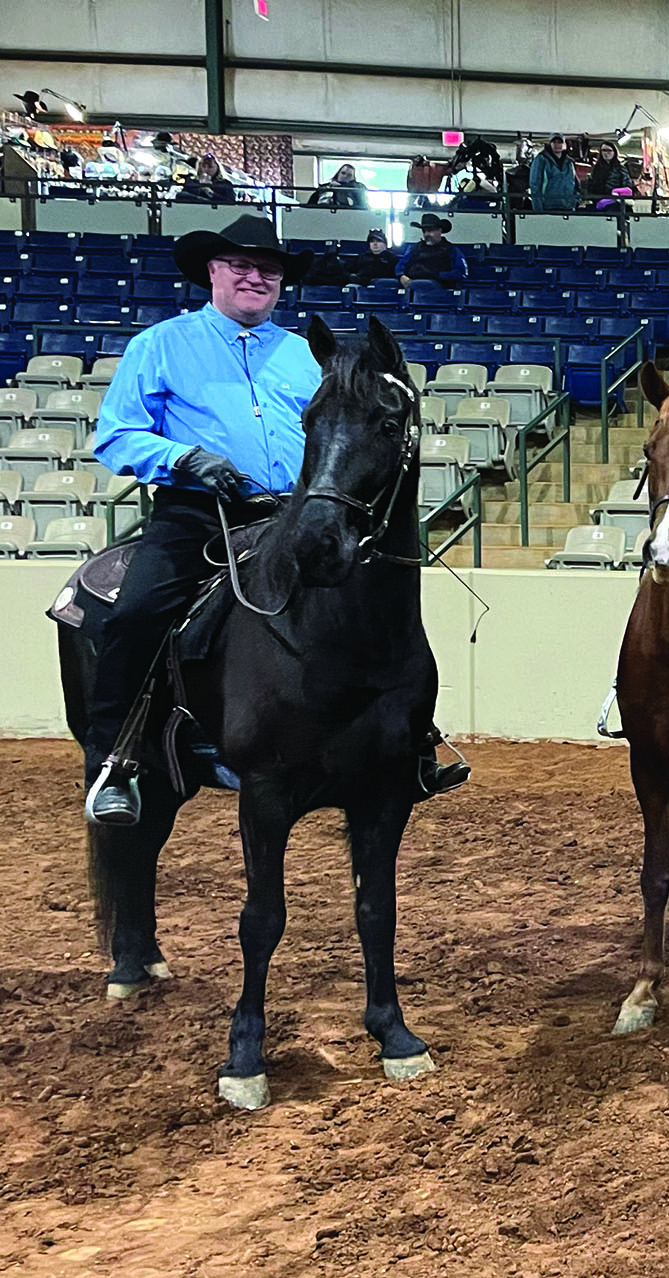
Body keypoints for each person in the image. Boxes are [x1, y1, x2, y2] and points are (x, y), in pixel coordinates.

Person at [83, 215, 466, 826]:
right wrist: (182, 456)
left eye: (268, 270)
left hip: (290, 515)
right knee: (137, 614)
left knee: (370, 609)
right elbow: (116, 436)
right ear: (212, 272)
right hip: (196, 516)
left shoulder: (302, 357)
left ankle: (408, 742)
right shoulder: (159, 345)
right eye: (241, 266)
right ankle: (117, 759)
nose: (255, 278)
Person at [395, 212, 469, 290]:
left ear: (440, 231)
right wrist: (401, 275)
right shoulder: (414, 249)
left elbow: (462, 272)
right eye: (424, 231)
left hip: (441, 291)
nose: (426, 234)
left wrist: (437, 275)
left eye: (430, 230)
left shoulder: (452, 250)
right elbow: (400, 265)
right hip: (414, 290)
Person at [307, 229, 393, 286]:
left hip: (365, 283)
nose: (375, 244)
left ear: (385, 244)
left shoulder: (391, 258)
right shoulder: (362, 257)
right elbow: (350, 268)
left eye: (378, 241)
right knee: (329, 259)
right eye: (372, 241)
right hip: (352, 278)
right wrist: (349, 275)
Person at [526, 133, 578, 211]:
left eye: (559, 142)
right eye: (554, 142)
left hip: (567, 207)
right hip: (548, 206)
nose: (557, 145)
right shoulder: (540, 159)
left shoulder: (569, 162)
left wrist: (575, 201)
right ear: (550, 143)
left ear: (563, 144)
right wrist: (538, 208)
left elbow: (575, 183)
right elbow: (535, 184)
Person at [581, 139, 629, 207]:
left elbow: (627, 187)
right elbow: (590, 186)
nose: (606, 153)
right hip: (597, 201)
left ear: (614, 152)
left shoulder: (621, 168)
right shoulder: (596, 169)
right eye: (604, 150)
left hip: (615, 203)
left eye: (609, 150)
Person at [303, 163, 369, 210]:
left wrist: (342, 189)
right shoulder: (325, 188)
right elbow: (311, 205)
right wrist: (330, 189)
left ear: (353, 178)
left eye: (349, 175)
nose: (345, 176)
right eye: (343, 173)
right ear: (338, 174)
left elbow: (363, 204)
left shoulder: (357, 189)